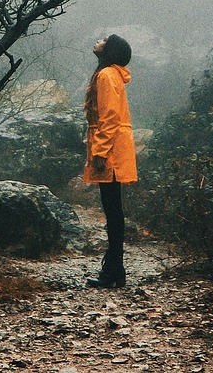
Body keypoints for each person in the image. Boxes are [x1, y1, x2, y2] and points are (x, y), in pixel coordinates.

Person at [82, 33, 136, 288]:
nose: (98, 40)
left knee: (113, 211)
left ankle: (113, 271)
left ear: (109, 50)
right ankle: (115, 269)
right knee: (114, 210)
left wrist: (100, 153)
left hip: (111, 150)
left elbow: (110, 118)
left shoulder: (106, 76)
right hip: (115, 147)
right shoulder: (110, 74)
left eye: (104, 40)